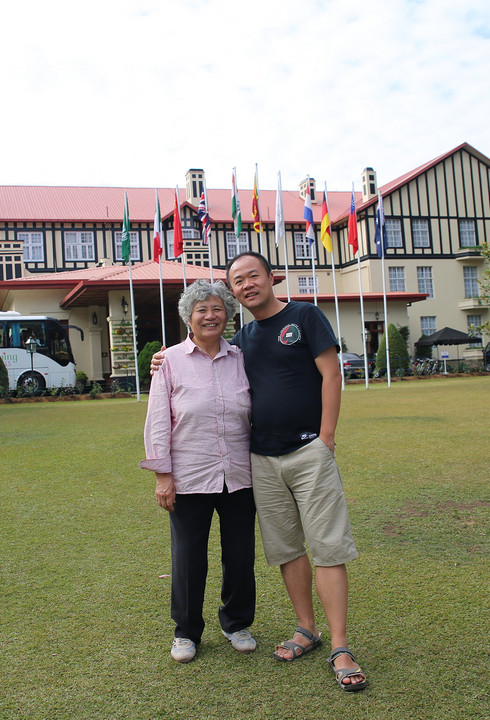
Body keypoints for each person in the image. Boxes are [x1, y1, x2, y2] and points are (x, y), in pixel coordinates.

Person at [154, 252, 367, 692]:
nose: (246, 285)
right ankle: (297, 629)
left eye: (253, 276)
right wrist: (163, 361)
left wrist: (326, 437)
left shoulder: (296, 320)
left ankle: (336, 643)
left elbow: (331, 374)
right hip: (247, 464)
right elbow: (174, 399)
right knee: (283, 549)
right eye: (237, 281)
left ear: (271, 278)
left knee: (314, 548)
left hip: (287, 458)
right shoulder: (229, 344)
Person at [140, 280, 256, 664]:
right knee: (189, 557)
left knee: (239, 554)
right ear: (189, 318)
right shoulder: (170, 360)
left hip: (239, 473)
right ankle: (186, 632)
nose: (210, 315)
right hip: (189, 475)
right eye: (201, 310)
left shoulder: (242, 358)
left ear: (228, 314)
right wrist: (162, 474)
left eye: (218, 308)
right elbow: (158, 419)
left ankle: (236, 622)